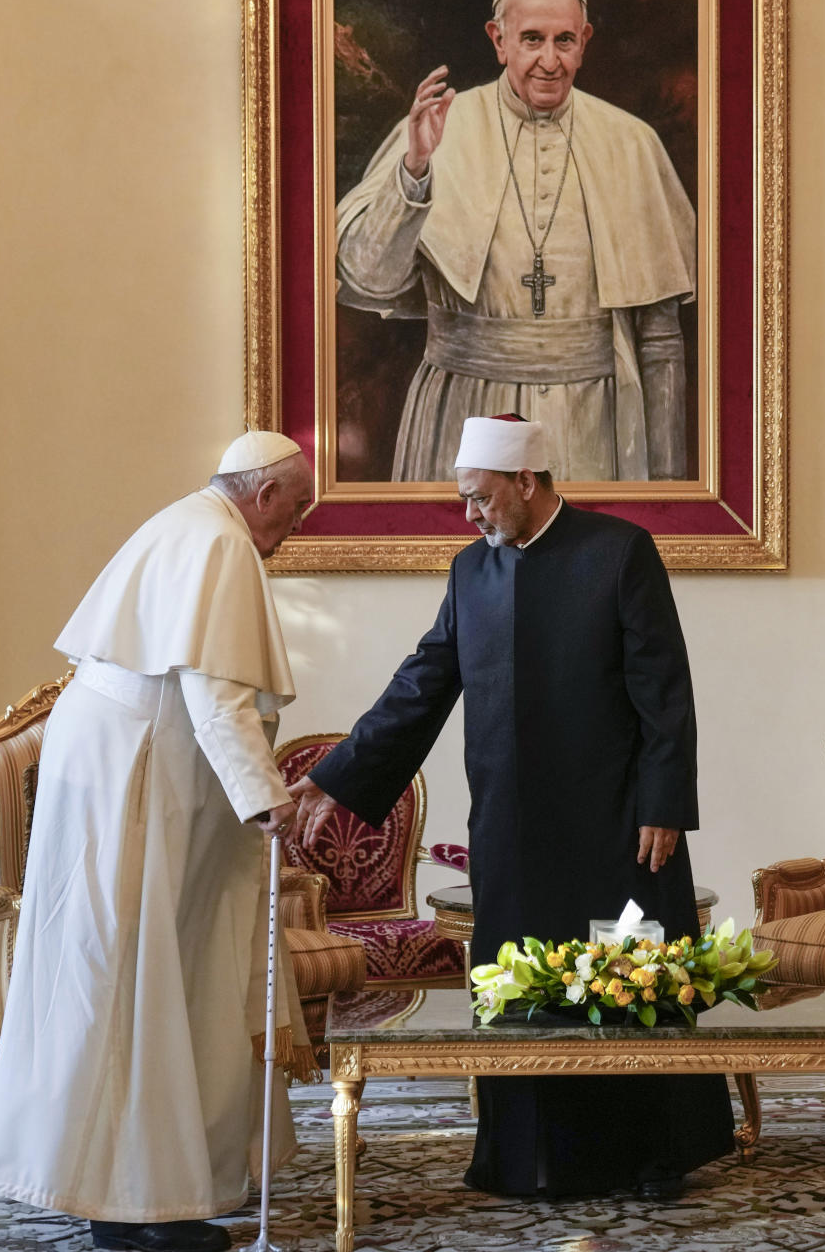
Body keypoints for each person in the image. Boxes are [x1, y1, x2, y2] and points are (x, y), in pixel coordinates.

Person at [291, 414, 733, 1199]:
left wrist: (664, 804)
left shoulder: (619, 552)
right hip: (512, 827)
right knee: (520, 990)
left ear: (526, 483)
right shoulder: (471, 571)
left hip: (615, 824)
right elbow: (422, 685)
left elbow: (666, 693)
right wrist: (335, 774)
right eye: (466, 501)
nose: (471, 516)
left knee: (623, 980)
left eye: (481, 498)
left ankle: (646, 1158)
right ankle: (527, 1161)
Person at [0, 431, 316, 1252]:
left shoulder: (188, 526)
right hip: (138, 789)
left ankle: (138, 1196)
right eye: (297, 507)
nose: (297, 525)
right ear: (263, 494)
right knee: (135, 986)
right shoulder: (219, 545)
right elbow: (217, 694)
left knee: (124, 980)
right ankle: (133, 1211)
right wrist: (267, 801)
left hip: (127, 773)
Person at [337, 0, 695, 483]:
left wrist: (666, 492)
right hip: (464, 409)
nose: (549, 61)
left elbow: (661, 339)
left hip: (592, 418)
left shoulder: (631, 143)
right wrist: (414, 171)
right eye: (531, 39)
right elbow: (369, 279)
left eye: (564, 40)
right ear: (498, 39)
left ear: (585, 41)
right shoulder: (441, 129)